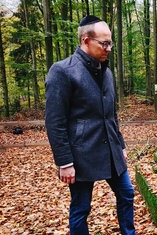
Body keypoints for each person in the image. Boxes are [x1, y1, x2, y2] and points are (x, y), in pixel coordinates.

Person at [45, 15, 136, 235]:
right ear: (86, 40)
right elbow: (55, 121)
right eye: (104, 43)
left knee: (127, 193)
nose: (109, 48)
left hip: (111, 149)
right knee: (81, 208)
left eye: (110, 43)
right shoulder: (62, 71)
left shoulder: (107, 72)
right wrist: (64, 162)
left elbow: (111, 115)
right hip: (81, 153)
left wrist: (121, 145)